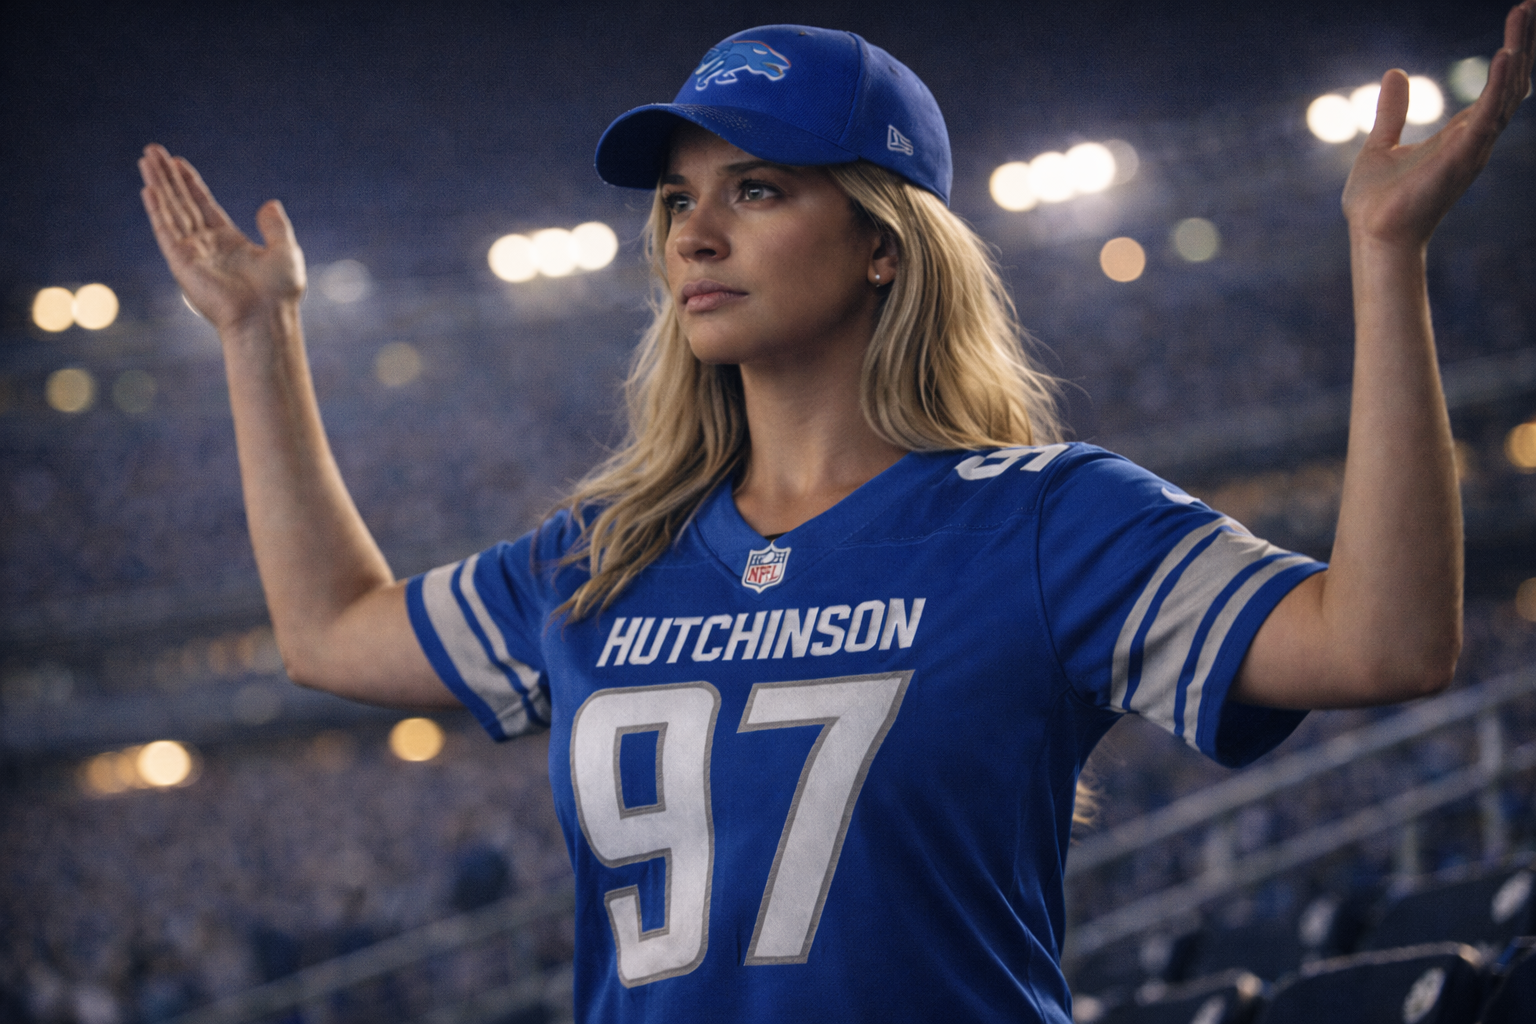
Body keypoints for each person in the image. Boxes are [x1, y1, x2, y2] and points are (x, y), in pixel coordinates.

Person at [138, 10, 1534, 1023]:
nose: (694, 232)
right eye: (680, 201)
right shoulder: (602, 556)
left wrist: (1385, 259)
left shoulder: (1044, 521)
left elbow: (1387, 644)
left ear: (883, 239)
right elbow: (327, 632)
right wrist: (260, 338)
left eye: (756, 189)